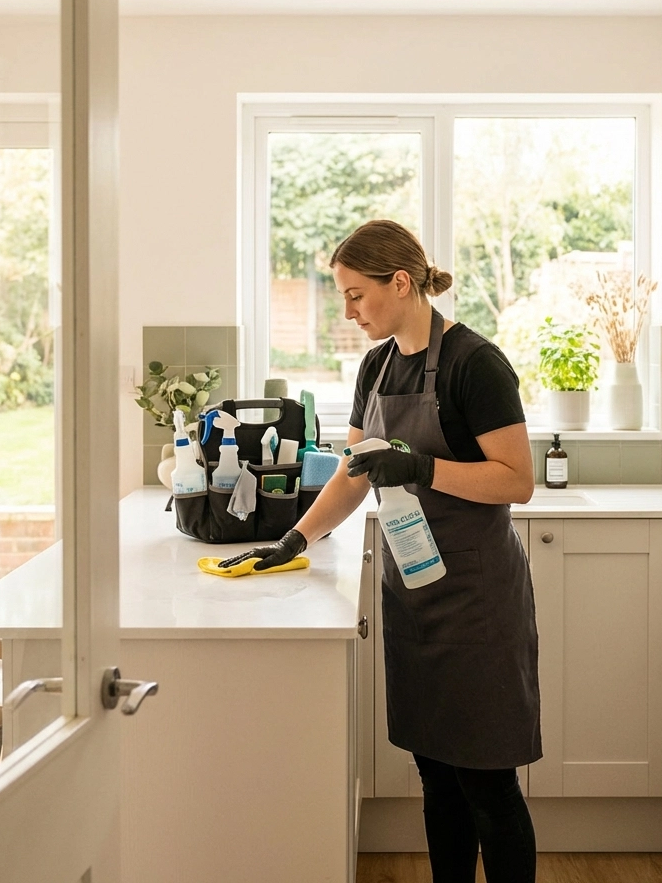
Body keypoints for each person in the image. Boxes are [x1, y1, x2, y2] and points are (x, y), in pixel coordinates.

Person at [219, 219, 541, 883]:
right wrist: (294, 538)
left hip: (476, 603)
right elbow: (356, 470)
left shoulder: (476, 365)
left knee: (486, 781)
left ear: (400, 282)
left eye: (356, 294)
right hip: (413, 596)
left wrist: (423, 468)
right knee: (435, 774)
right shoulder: (378, 363)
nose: (348, 311)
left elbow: (517, 480)